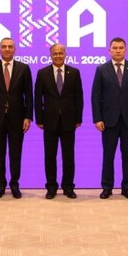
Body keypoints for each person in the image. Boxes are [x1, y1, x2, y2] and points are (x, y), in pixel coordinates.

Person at [91, 37, 128, 200]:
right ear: (109, 51)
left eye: (121, 48)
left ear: (125, 50)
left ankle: (126, 187)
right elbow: (95, 96)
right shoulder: (101, 69)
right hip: (108, 121)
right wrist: (97, 118)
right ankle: (107, 187)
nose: (118, 50)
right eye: (115, 48)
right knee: (108, 155)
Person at [0, 38, 33, 199]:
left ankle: (15, 184)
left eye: (10, 46)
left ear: (14, 49)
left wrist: (28, 117)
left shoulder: (24, 68)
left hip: (18, 118)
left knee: (16, 154)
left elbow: (29, 95)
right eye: (4, 46)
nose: (7, 49)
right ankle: (0, 185)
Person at [34, 43, 84, 199]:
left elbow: (79, 98)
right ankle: (51, 187)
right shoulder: (42, 73)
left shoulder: (74, 72)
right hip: (49, 121)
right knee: (50, 156)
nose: (58, 56)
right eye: (55, 53)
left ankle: (68, 187)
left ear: (65, 54)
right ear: (50, 55)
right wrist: (39, 119)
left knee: (68, 156)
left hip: (69, 121)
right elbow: (37, 98)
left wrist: (78, 119)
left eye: (61, 53)